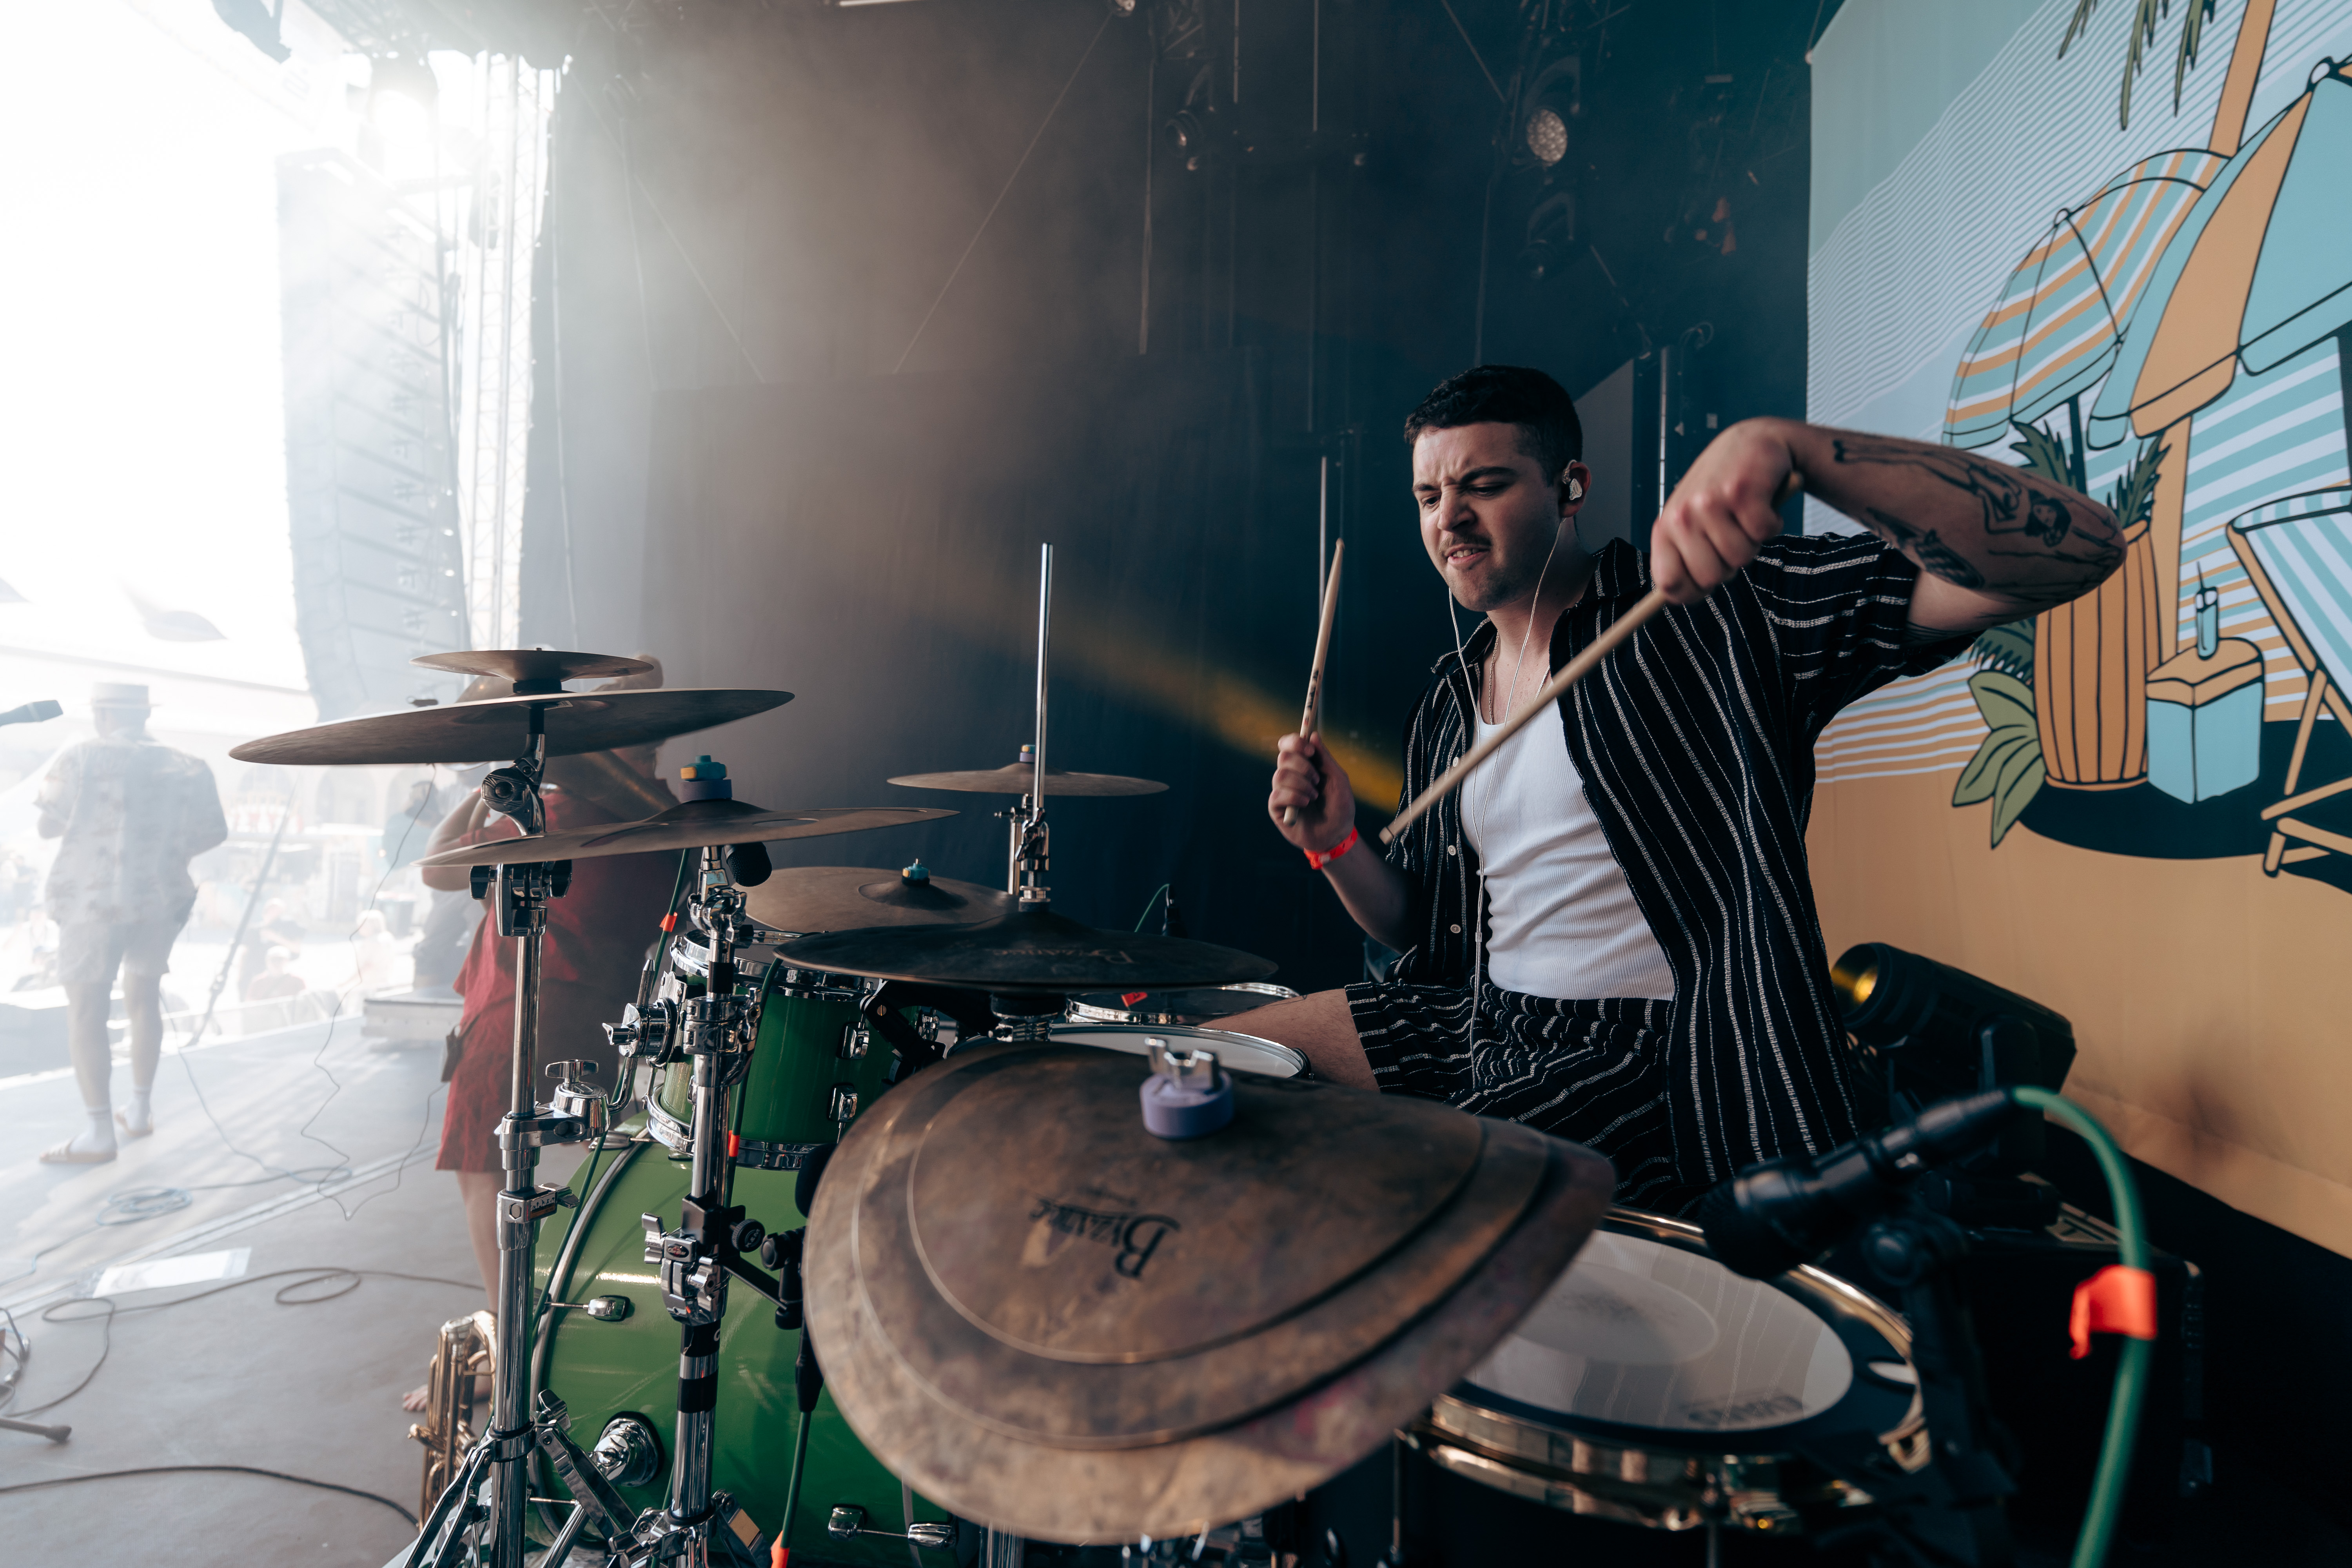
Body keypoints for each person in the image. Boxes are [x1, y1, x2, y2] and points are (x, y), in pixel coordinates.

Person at [1239, 367, 2121, 1214]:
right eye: (1430, 496)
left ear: (1570, 486)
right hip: (1482, 1020)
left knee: (1419, 1203)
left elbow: (2071, 552)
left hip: (1662, 1052)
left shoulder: (1711, 614)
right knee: (1223, 1058)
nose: (1450, 518)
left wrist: (1796, 450)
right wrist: (1333, 843)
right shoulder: (1446, 698)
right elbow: (1421, 930)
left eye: (1486, 484)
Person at [401, 667, 677, 1409]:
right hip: (608, 1015)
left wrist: (497, 786)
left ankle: (510, 1349)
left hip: (516, 1010)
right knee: (605, 1168)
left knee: (483, 1170)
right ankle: (579, 1329)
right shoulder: (670, 823)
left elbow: (435, 869)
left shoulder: (557, 815)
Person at [35, 682, 229, 1163]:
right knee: (144, 997)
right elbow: (214, 832)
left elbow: (47, 824)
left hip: (92, 900)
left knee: (87, 1008)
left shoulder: (81, 756)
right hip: (160, 899)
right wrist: (165, 849)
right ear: (145, 715)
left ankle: (99, 1132)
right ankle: (139, 1110)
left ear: (102, 713)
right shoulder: (190, 766)